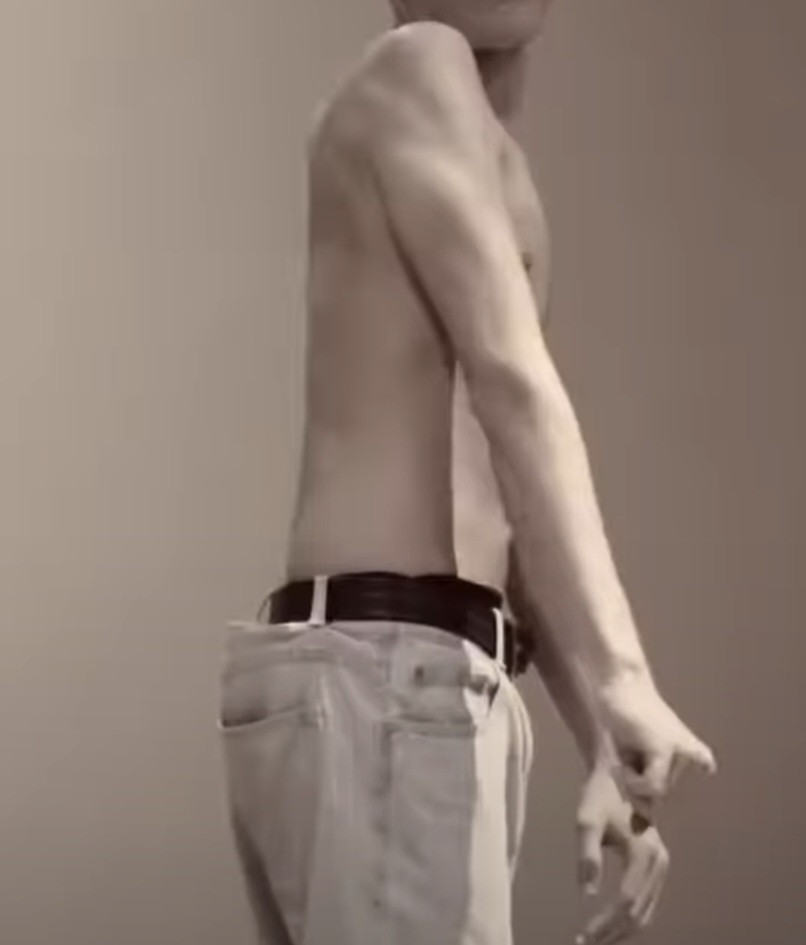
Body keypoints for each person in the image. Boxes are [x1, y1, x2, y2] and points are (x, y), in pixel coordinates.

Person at [217, 3, 717, 944]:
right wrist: (623, 673)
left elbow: (498, 494)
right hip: (390, 679)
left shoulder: (483, 154)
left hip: (390, 680)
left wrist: (603, 740)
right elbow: (511, 381)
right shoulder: (419, 64)